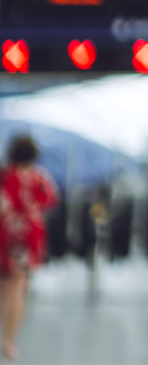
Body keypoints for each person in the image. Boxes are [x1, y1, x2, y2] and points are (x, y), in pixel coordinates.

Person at [0, 135, 57, 361]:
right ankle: (9, 341)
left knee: (4, 289)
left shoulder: (4, 176)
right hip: (27, 239)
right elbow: (50, 201)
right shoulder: (39, 178)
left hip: (4, 234)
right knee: (18, 290)